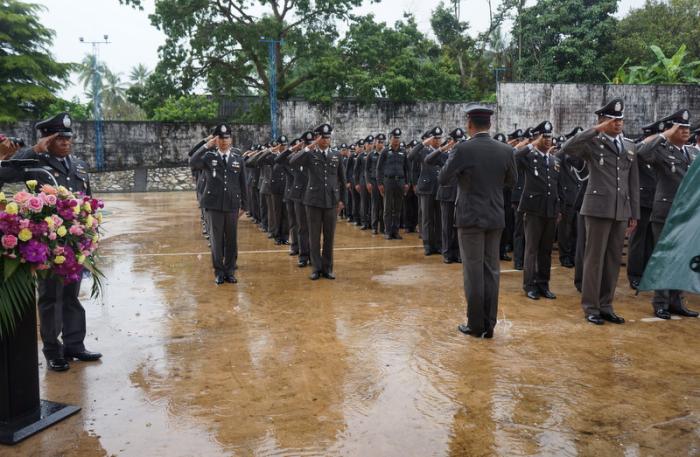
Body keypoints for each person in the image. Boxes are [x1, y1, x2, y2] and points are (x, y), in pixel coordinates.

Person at [15, 112, 102, 371]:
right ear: (47, 140)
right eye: (59, 138)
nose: (66, 143)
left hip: (74, 243)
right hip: (48, 243)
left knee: (72, 296)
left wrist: (91, 233)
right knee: (51, 297)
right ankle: (53, 350)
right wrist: (33, 149)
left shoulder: (79, 165)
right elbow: (5, 170)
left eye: (68, 138)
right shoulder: (34, 164)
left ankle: (75, 344)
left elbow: (87, 200)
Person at [439, 106, 517, 339]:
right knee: (491, 271)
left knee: (473, 272)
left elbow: (443, 178)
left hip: (470, 218)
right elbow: (512, 181)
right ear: (489, 125)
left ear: (470, 125)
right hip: (495, 216)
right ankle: (489, 325)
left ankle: (475, 325)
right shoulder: (505, 150)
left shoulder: (463, 149)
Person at [560, 98, 640, 325]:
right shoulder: (593, 143)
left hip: (620, 210)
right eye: (613, 120)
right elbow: (568, 147)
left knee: (613, 259)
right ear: (603, 121)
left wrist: (634, 213)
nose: (618, 123)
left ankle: (606, 305)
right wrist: (595, 130)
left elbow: (632, 182)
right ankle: (591, 307)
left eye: (620, 119)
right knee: (594, 259)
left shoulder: (630, 146)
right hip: (596, 209)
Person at [637, 109, 698, 319]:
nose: (685, 131)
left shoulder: (692, 153)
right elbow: (642, 153)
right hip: (666, 212)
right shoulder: (661, 150)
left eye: (687, 127)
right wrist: (663, 135)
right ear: (672, 128)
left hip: (686, 215)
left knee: (681, 259)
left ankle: (676, 301)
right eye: (680, 127)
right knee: (663, 258)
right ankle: (660, 302)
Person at [189, 123, 247, 285]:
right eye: (220, 138)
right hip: (213, 205)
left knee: (231, 240)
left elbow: (243, 183)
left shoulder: (237, 158)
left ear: (231, 140)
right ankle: (219, 272)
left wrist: (245, 205)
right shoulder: (209, 157)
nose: (223, 141)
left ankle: (230, 271)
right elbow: (193, 162)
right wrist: (206, 145)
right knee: (216, 241)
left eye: (226, 138)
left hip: (232, 205)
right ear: (216, 140)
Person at [290, 124, 346, 280]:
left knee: (329, 237)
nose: (326, 140)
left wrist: (342, 200)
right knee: (314, 237)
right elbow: (293, 161)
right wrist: (309, 147)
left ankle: (327, 268)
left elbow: (342, 179)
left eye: (328, 137)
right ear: (317, 138)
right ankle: (316, 268)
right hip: (313, 201)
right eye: (323, 137)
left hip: (331, 201)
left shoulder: (336, 155)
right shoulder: (310, 154)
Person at [514, 121, 560, 300]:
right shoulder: (529, 157)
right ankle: (529, 285)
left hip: (550, 209)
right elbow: (513, 156)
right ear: (537, 137)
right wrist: (530, 144)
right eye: (544, 136)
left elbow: (558, 185)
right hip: (533, 209)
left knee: (546, 250)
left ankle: (543, 284)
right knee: (532, 249)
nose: (547, 140)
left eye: (549, 136)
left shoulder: (553, 160)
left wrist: (559, 209)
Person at [627, 121, 659, 290]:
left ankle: (647, 272)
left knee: (650, 240)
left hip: (654, 201)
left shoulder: (658, 152)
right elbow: (638, 149)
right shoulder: (639, 149)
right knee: (638, 241)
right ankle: (635, 274)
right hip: (641, 202)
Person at [425, 128, 465, 263]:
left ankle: (458, 253)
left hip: (460, 195)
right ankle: (447, 253)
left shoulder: (464, 155)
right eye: (456, 141)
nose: (458, 144)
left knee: (459, 225)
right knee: (446, 226)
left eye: (460, 141)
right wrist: (443, 148)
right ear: (451, 142)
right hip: (447, 194)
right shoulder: (445, 155)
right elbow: (428, 160)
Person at [409, 127, 444, 255]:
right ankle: (428, 245)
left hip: (439, 188)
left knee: (439, 218)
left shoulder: (442, 151)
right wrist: (423, 143)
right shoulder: (423, 151)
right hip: (426, 188)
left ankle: (439, 244)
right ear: (430, 139)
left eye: (440, 138)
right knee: (427, 218)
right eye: (435, 138)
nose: (438, 141)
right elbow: (411, 156)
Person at [555, 127, 584, 268]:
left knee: (576, 231)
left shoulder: (581, 155)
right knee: (564, 231)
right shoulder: (561, 155)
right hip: (566, 198)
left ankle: (573, 255)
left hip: (578, 199)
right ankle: (564, 256)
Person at [376, 128, 409, 240]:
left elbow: (407, 168)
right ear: (390, 138)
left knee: (398, 208)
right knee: (388, 208)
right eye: (395, 138)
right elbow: (379, 168)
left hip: (400, 182)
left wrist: (407, 183)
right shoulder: (385, 151)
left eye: (398, 138)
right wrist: (380, 183)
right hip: (388, 182)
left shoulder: (403, 152)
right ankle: (387, 231)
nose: (396, 140)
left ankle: (395, 231)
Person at [366, 134, 385, 234]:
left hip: (383, 182)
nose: (380, 144)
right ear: (375, 143)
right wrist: (368, 182)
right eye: (379, 142)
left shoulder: (385, 154)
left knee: (383, 205)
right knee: (375, 205)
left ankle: (382, 227)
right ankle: (374, 227)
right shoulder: (371, 155)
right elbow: (366, 170)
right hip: (373, 182)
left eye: (382, 142)